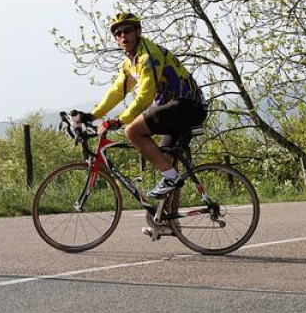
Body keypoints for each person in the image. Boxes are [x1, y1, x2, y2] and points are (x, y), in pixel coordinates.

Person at [75, 12, 207, 199]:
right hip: (174, 109)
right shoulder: (130, 61)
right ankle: (168, 225)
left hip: (186, 106)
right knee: (166, 165)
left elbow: (145, 97)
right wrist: (92, 116)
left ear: (138, 31)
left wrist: (118, 121)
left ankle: (170, 179)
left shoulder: (147, 57)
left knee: (132, 131)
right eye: (118, 34)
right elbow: (117, 91)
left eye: (127, 31)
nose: (123, 36)